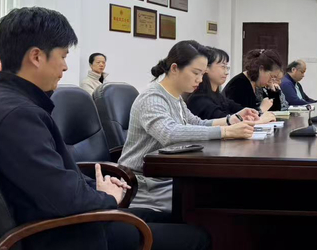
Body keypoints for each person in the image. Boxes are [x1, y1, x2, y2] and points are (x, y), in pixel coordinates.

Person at [0, 7, 211, 250]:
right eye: (62, 56)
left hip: (68, 222)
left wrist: (98, 186)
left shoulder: (8, 103)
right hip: (67, 235)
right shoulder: (18, 115)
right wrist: (107, 196)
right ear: (36, 57)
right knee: (197, 237)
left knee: (179, 218)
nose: (65, 67)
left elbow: (51, 177)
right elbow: (60, 196)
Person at [118, 41, 255, 212]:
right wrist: (226, 132)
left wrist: (231, 120)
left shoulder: (176, 98)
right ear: (175, 68)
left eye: (202, 74)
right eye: (196, 73)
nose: (200, 80)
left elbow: (196, 122)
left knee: (226, 191)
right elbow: (169, 132)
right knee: (214, 201)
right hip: (144, 184)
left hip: (168, 178)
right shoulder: (152, 98)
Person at [185, 47, 264, 122]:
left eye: (227, 67)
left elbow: (239, 109)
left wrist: (253, 114)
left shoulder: (219, 97)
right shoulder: (199, 99)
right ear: (206, 68)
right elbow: (224, 120)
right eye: (223, 67)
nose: (226, 72)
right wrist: (260, 112)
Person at [223, 49, 284, 113]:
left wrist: (272, 91)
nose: (271, 81)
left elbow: (274, 111)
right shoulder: (238, 86)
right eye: (271, 76)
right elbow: (241, 115)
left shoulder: (257, 84)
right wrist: (261, 109)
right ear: (261, 69)